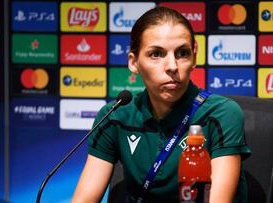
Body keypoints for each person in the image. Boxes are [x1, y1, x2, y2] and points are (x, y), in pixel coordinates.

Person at [72, 6, 251, 203]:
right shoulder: (115, 115)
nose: (173, 66)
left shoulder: (222, 114)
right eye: (156, 54)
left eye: (182, 53)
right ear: (133, 62)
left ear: (194, 56)